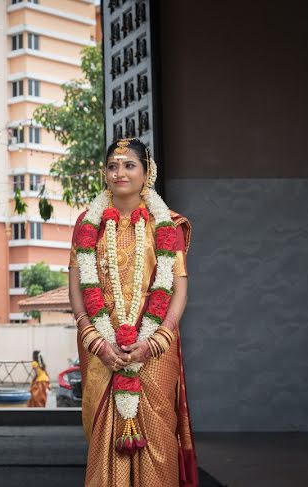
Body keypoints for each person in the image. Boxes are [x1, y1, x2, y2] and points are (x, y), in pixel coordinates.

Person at [69, 138, 197, 486]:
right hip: (102, 349)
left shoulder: (166, 223)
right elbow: (77, 287)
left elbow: (178, 288)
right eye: (113, 166)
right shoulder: (87, 224)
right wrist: (96, 340)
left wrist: (158, 339)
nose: (120, 172)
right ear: (104, 173)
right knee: (104, 443)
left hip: (155, 347)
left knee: (157, 438)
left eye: (129, 165)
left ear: (147, 172)